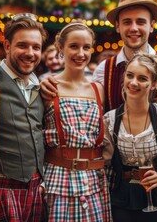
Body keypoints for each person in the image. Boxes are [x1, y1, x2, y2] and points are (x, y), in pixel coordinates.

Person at [39, 0, 157, 112]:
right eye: (127, 22)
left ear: (152, 26)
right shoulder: (102, 71)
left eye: (140, 22)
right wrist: (50, 83)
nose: (133, 28)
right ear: (118, 26)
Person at [0, 14, 48, 221]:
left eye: (36, 47)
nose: (30, 53)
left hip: (35, 189)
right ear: (7, 46)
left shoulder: (40, 85)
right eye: (22, 46)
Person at [103, 53, 157, 222]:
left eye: (142, 78)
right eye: (130, 75)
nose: (133, 83)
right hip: (123, 200)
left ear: (155, 84)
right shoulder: (110, 120)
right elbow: (105, 162)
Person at [42, 22, 111, 221]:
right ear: (60, 48)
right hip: (58, 177)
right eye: (74, 46)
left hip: (94, 180)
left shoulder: (98, 89)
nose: (80, 53)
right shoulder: (48, 87)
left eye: (86, 47)